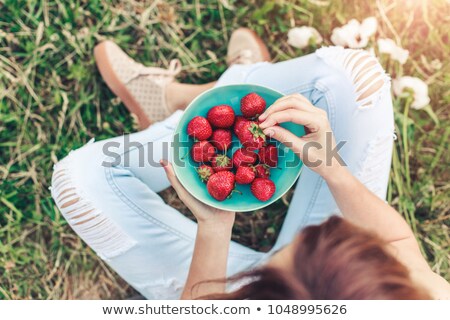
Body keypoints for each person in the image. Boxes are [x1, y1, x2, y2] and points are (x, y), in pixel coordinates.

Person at [50, 28, 450, 299]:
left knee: (77, 180)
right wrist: (332, 168)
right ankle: (200, 92)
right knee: (351, 80)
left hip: (228, 289)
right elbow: (398, 244)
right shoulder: (418, 300)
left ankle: (192, 96)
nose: (306, 237)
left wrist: (214, 227)